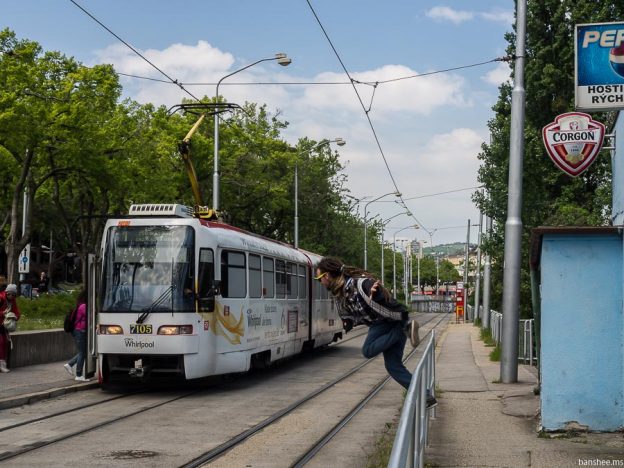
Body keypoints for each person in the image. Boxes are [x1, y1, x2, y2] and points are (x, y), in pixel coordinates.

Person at [315, 256, 437, 408]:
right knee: (393, 367)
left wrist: (375, 292)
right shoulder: (340, 293)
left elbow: (373, 288)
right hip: (393, 322)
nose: (320, 282)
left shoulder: (359, 283)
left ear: (326, 275)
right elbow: (350, 313)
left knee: (368, 350)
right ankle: (426, 396)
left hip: (386, 322)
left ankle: (403, 330)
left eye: (319, 278)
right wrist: (348, 322)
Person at [64, 289, 90, 381]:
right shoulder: (83, 306)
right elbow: (90, 316)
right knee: (82, 352)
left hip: (80, 331)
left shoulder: (81, 305)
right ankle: (78, 375)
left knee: (83, 352)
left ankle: (69, 364)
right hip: (80, 331)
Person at [0, 284, 21, 373]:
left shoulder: (13, 301)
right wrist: (2, 313)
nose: (11, 296)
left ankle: (3, 364)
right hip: (1, 322)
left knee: (5, 342)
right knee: (1, 342)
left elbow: (17, 312)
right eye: (9, 294)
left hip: (3, 325)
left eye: (13, 295)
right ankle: (2, 364)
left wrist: (15, 317)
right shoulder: (1, 298)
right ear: (6, 292)